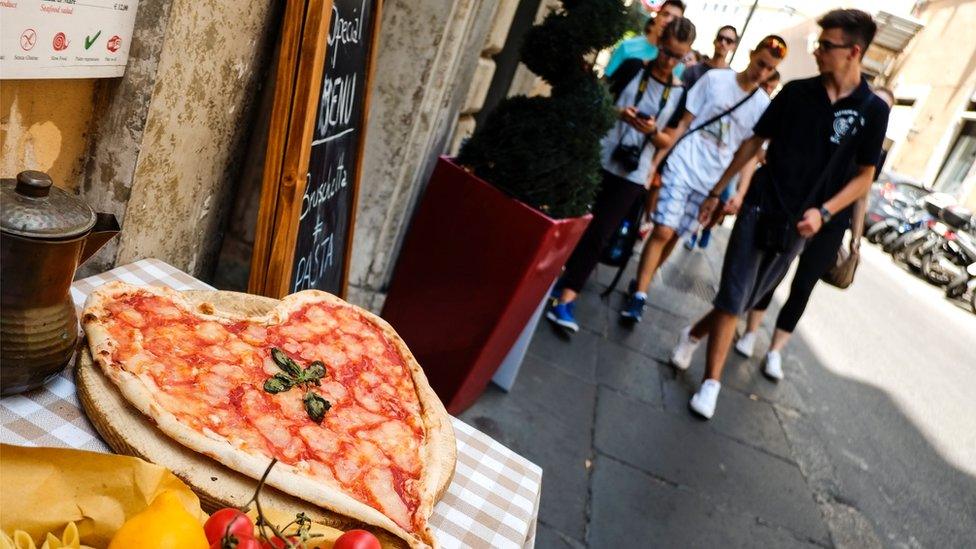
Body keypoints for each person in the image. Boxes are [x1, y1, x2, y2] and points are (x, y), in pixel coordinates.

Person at [670, 9, 890, 419]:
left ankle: (693, 334)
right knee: (735, 294)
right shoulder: (796, 92)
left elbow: (864, 178)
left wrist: (825, 213)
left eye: (826, 45)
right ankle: (711, 383)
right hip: (760, 204)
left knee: (747, 299)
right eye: (818, 44)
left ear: (853, 51)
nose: (818, 52)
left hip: (802, 224)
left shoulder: (872, 111)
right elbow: (754, 144)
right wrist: (719, 193)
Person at [619, 35, 786, 323]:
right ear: (750, 54)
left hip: (711, 180)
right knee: (663, 231)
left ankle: (640, 282)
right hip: (684, 162)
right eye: (760, 63)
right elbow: (683, 124)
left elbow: (747, 154)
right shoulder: (715, 80)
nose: (762, 72)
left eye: (769, 69)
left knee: (677, 234)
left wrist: (734, 191)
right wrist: (656, 163)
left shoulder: (762, 107)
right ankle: (640, 296)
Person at [734, 84, 894, 378]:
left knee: (803, 286)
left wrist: (856, 238)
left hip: (832, 224)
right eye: (875, 104)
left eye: (885, 109)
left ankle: (775, 351)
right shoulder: (836, 123)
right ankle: (750, 332)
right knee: (772, 271)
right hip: (800, 209)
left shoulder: (875, 149)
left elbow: (862, 192)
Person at [546, 18, 696, 333]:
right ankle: (549, 279)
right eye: (667, 52)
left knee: (600, 234)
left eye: (678, 57)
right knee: (573, 220)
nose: (669, 61)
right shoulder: (631, 67)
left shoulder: (680, 92)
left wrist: (652, 131)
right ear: (659, 42)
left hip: (634, 173)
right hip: (599, 156)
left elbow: (669, 139)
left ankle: (567, 296)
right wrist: (620, 114)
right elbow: (598, 102)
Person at [685, 70, 780, 251]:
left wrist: (741, 192)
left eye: (771, 87)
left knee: (724, 200)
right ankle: (694, 231)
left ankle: (706, 228)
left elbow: (754, 154)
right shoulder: (739, 94)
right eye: (766, 85)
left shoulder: (764, 108)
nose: (767, 89)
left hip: (732, 168)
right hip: (710, 160)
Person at [604, 0, 686, 79]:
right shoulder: (627, 46)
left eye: (675, 19)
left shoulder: (676, 64)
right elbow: (606, 82)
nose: (668, 20)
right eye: (665, 14)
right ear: (656, 16)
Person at [681, 25, 739, 90]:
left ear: (733, 47)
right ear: (714, 41)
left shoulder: (732, 79)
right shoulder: (693, 70)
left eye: (729, 41)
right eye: (720, 38)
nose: (723, 43)